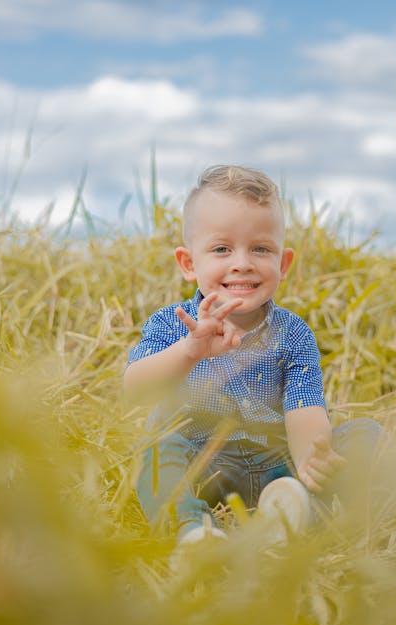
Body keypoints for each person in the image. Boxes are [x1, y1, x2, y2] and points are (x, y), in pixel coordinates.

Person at [125, 164, 381, 546]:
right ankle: (191, 531)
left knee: (365, 435)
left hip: (275, 468)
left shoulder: (293, 333)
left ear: (283, 263)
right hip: (201, 464)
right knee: (156, 450)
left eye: (260, 249)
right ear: (189, 264)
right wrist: (190, 351)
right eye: (222, 249)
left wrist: (314, 459)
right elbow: (134, 390)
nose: (242, 262)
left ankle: (293, 513)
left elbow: (304, 407)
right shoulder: (171, 324)